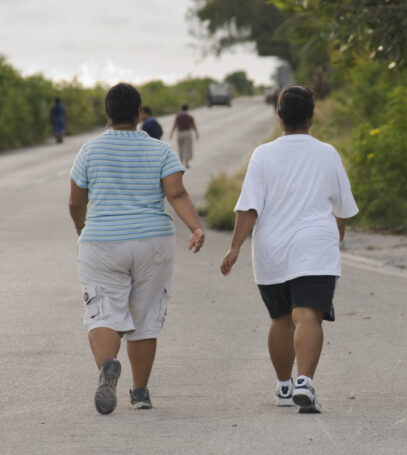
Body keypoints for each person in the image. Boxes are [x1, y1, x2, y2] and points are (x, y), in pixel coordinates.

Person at [68, 83, 205, 415]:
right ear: (139, 113)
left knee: (102, 311)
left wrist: (82, 230)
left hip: (101, 241)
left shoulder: (89, 150)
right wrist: (195, 227)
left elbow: (76, 202)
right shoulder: (159, 150)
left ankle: (107, 368)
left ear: (107, 112)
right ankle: (140, 392)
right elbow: (177, 194)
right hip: (151, 242)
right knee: (144, 318)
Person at [220, 86, 358, 414]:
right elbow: (342, 209)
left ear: (278, 115)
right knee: (308, 315)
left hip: (272, 250)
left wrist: (235, 247)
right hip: (316, 247)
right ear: (312, 117)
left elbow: (249, 208)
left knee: (281, 319)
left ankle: (284, 387)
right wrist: (335, 239)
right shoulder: (328, 153)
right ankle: (305, 382)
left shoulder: (263, 155)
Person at [169, 104, 199, 168]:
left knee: (180, 147)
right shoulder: (190, 116)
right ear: (187, 109)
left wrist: (172, 133)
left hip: (180, 133)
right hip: (187, 133)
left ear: (181, 109)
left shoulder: (178, 116)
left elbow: (175, 125)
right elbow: (193, 125)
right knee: (187, 148)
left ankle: (180, 162)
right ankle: (187, 163)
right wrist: (196, 133)